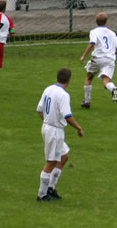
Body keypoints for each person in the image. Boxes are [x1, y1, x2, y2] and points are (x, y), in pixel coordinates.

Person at [36, 67, 83, 201]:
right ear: (69, 80)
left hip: (47, 127)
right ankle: (42, 195)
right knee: (50, 163)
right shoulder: (63, 95)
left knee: (64, 156)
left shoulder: (48, 89)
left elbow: (39, 110)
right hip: (54, 131)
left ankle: (51, 187)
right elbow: (67, 116)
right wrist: (79, 128)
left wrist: (47, 120)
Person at [79, 12, 117, 108]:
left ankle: (87, 102)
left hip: (98, 59)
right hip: (110, 60)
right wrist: (110, 54)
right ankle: (113, 88)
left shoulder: (94, 32)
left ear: (96, 22)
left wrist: (84, 56)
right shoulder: (112, 33)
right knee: (106, 81)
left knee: (89, 77)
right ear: (106, 21)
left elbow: (92, 43)